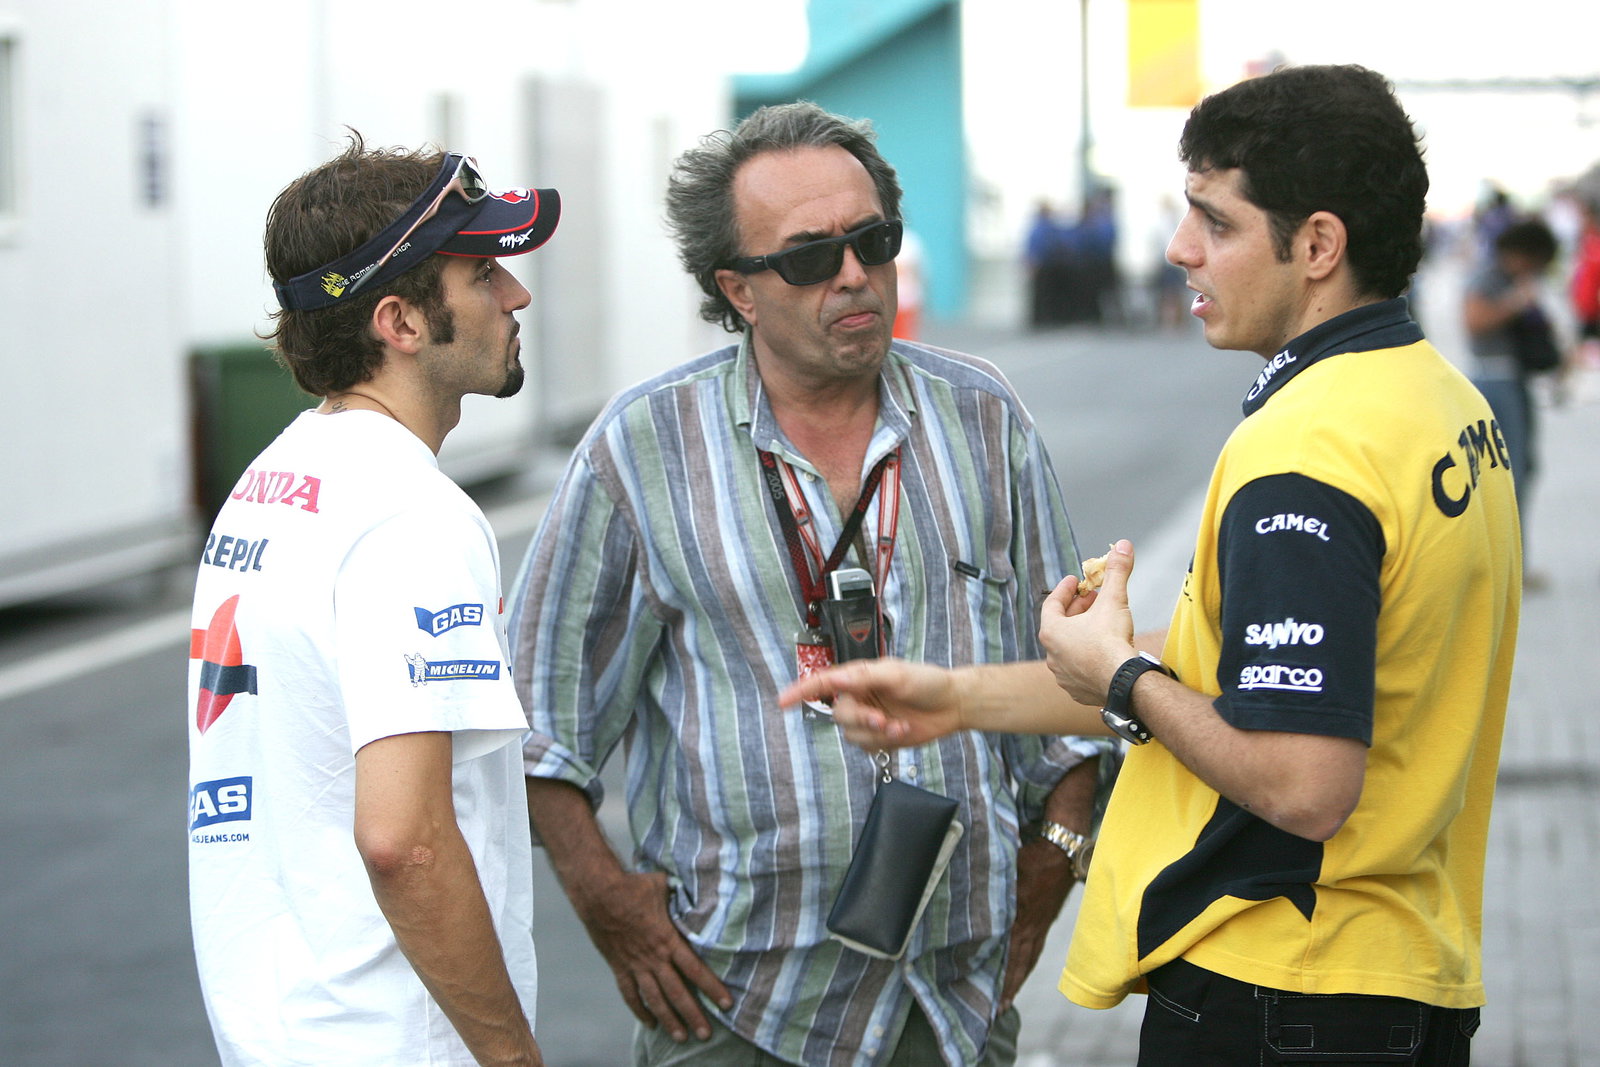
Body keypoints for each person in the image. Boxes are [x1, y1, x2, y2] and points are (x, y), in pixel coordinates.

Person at [784, 64, 1521, 1066]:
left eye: (1212, 222)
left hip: (1280, 987)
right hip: (1402, 971)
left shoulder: (1308, 452)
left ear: (1315, 245)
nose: (1179, 249)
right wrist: (954, 697)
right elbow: (1260, 669)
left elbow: (1304, 780)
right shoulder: (1436, 399)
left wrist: (1123, 679)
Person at [508, 101, 1107, 1066]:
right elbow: (537, 721)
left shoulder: (983, 419)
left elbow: (1078, 678)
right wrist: (607, 900)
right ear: (737, 290)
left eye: (874, 241)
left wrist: (1057, 858)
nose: (854, 275)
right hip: (738, 1007)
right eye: (808, 257)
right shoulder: (643, 449)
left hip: (951, 1000)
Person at [186, 135, 560, 1066]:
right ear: (398, 321)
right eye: (483, 274)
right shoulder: (410, 515)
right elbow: (404, 839)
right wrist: (512, 1056)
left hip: (277, 1029)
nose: (515, 295)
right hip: (394, 1038)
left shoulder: (273, 477)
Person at [1464, 217, 1560, 582]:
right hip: (1495, 380)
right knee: (1509, 473)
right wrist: (1518, 302)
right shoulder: (1487, 278)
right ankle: (1505, 568)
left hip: (1514, 380)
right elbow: (1474, 320)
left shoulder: (1507, 278)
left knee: (1524, 469)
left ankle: (1513, 563)